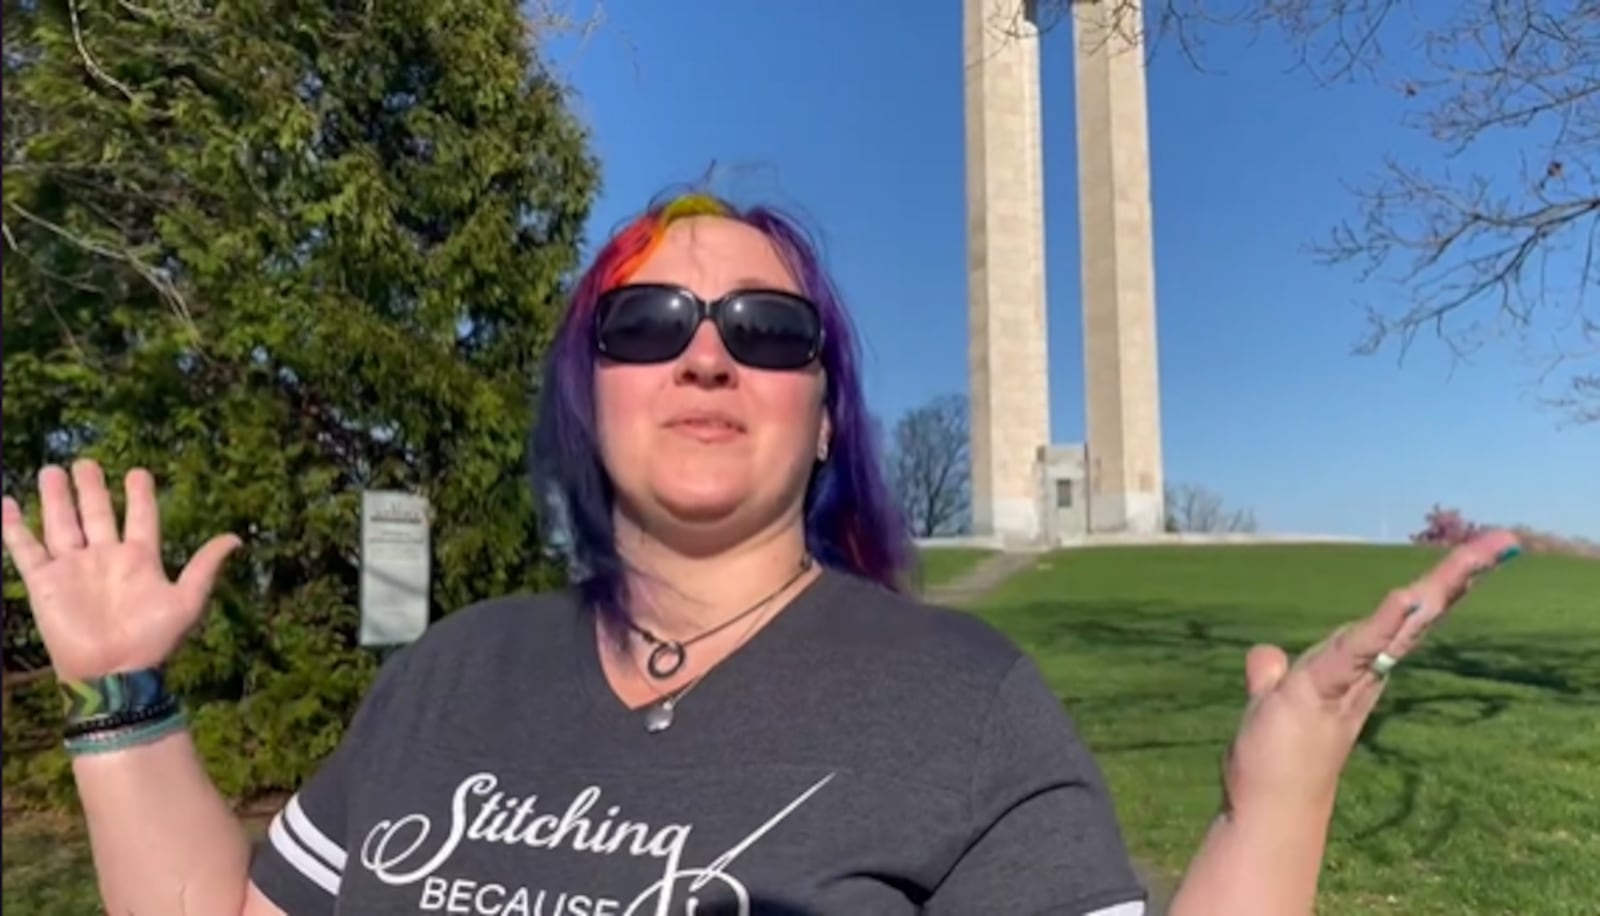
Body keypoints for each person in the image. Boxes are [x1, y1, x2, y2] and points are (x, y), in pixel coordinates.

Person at [1, 191, 1521, 916]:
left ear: (825, 410)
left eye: (768, 329)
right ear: (586, 392)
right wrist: (125, 697)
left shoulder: (962, 702)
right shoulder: (457, 668)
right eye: (648, 322)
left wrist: (1274, 814)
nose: (708, 354)